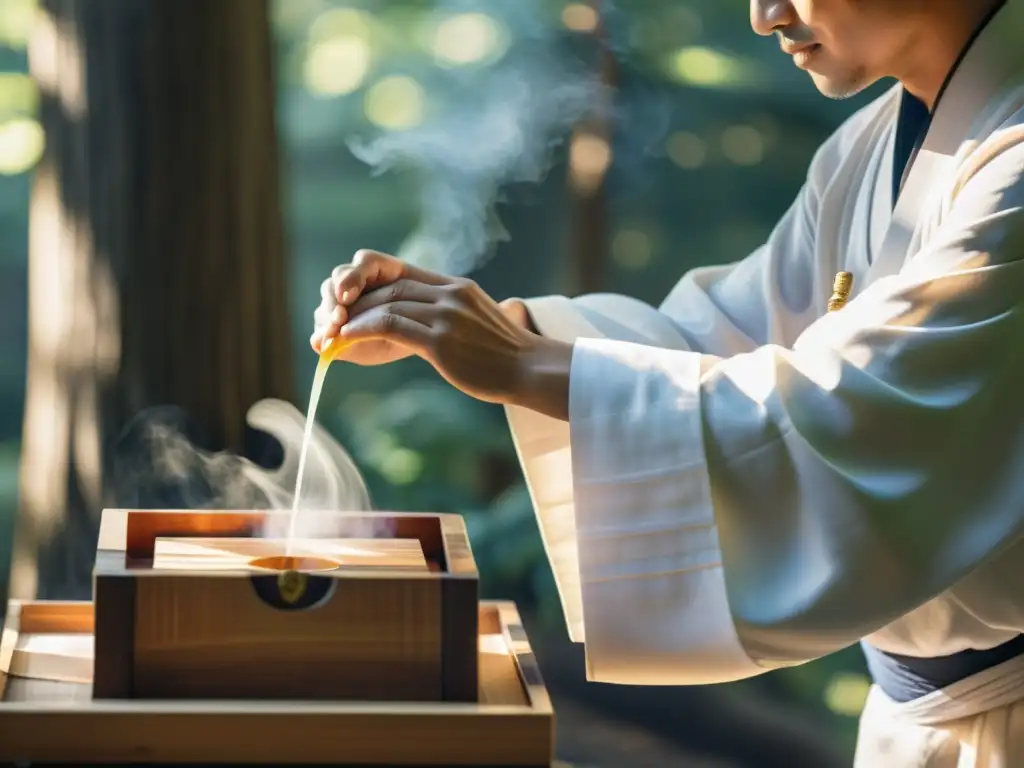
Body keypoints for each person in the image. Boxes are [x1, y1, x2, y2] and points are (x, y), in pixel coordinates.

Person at [311, 0, 1024, 765]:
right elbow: (723, 341)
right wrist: (493, 331)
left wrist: (523, 364)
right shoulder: (874, 143)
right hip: (921, 722)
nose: (764, 16)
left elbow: (853, 413)